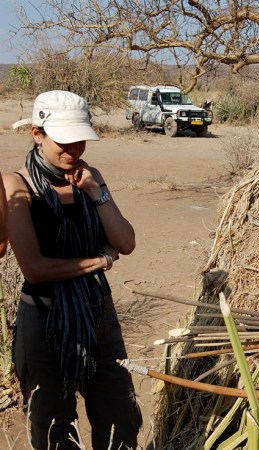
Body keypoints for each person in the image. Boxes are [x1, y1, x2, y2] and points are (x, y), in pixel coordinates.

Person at [4, 90, 142, 450]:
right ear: (37, 134)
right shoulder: (16, 185)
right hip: (44, 318)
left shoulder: (89, 177)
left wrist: (96, 192)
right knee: (53, 424)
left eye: (79, 140)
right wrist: (101, 261)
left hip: (98, 312)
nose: (73, 151)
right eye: (63, 142)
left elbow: (125, 240)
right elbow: (35, 269)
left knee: (119, 413)